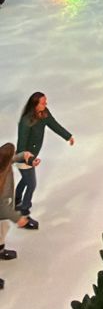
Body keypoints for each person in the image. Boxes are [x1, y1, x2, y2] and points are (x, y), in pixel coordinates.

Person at [15, 92, 75, 225]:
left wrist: (68, 136)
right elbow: (21, 146)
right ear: (35, 104)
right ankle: (24, 212)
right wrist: (30, 160)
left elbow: (54, 125)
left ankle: (16, 200)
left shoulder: (44, 113)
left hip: (32, 156)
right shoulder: (26, 121)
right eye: (43, 102)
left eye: (45, 101)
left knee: (25, 180)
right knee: (31, 184)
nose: (46, 104)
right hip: (23, 158)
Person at [0, 143, 33, 279]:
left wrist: (23, 156)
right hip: (2, 213)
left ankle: (1, 250)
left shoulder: (4, 163)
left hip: (4, 215)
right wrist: (18, 219)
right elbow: (2, 207)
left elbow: (13, 158)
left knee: (3, 232)